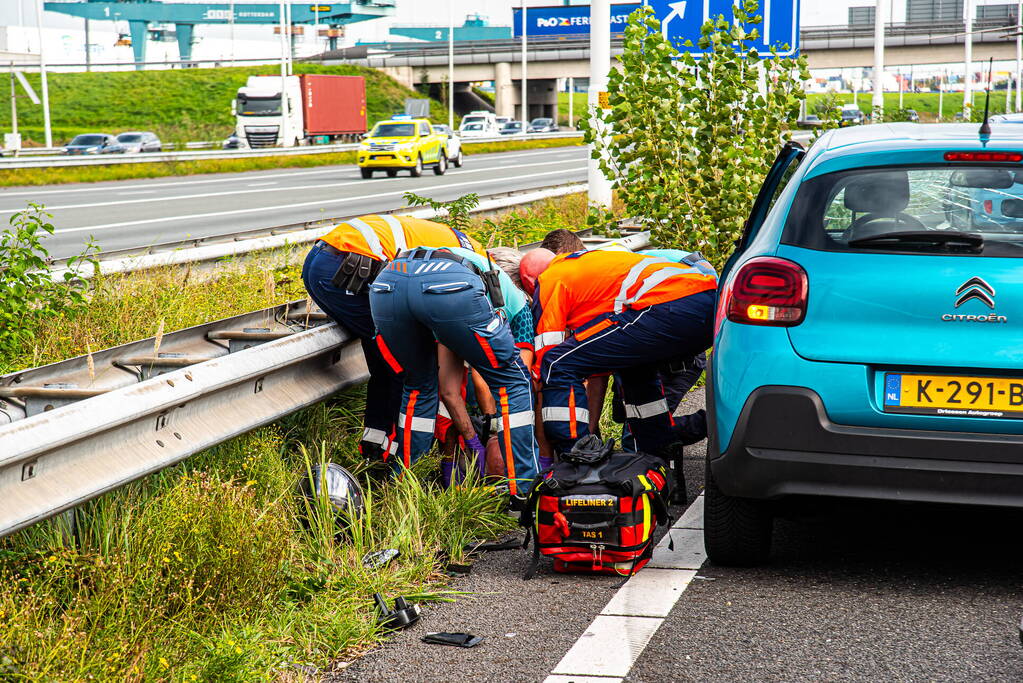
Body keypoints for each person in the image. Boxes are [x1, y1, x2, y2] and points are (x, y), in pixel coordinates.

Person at [301, 214, 485, 467]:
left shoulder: (469, 248)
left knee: (384, 359)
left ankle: (376, 447)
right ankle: (402, 460)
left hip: (325, 260)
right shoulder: (479, 269)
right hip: (349, 267)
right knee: (410, 365)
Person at [369, 245, 541, 496]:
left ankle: (404, 486)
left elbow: (448, 390)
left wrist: (472, 440)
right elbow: (514, 377)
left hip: (388, 283)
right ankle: (525, 491)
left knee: (418, 387)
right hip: (450, 288)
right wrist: (493, 431)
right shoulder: (514, 301)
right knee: (516, 383)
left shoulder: (462, 296)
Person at [520, 247, 717, 457]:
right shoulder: (588, 268)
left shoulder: (550, 278)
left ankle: (574, 455)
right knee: (633, 370)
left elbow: (547, 361)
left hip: (668, 303)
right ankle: (659, 442)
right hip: (707, 302)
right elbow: (597, 364)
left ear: (529, 281)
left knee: (557, 363)